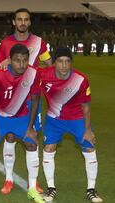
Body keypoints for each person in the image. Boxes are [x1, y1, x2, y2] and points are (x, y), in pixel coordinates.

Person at [0, 8, 52, 195]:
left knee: (32, 138)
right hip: (10, 99)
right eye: (19, 19)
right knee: (10, 137)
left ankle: (33, 183)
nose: (23, 22)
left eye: (26, 19)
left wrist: (39, 76)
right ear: (14, 22)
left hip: (31, 99)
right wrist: (4, 62)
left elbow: (49, 65)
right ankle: (9, 179)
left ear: (30, 22)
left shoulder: (39, 42)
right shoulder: (5, 43)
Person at [41, 47, 103, 203]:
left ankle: (91, 189)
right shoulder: (44, 74)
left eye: (67, 61)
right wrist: (7, 61)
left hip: (77, 119)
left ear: (71, 63)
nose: (64, 65)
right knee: (48, 148)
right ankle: (51, 188)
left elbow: (86, 107)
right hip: (54, 119)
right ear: (54, 63)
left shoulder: (80, 79)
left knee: (89, 147)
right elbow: (24, 68)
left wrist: (87, 130)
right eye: (60, 62)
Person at [0, 44, 43, 203]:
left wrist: (31, 127)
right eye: (17, 61)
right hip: (1, 117)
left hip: (21, 117)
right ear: (10, 60)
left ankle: (32, 188)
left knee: (32, 144)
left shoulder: (33, 74)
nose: (22, 64)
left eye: (25, 60)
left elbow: (36, 100)